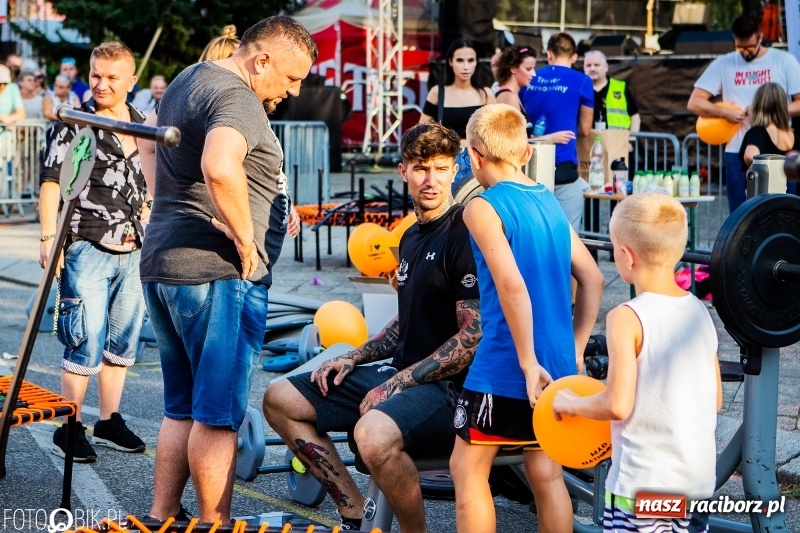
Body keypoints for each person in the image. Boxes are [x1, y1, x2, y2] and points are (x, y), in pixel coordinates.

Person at [137, 16, 316, 523]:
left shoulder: (189, 78)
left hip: (166, 262)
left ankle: (162, 514)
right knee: (217, 417)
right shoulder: (237, 96)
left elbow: (151, 144)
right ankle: (214, 522)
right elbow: (220, 164)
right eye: (290, 76)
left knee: (183, 407)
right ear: (260, 61)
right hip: (215, 273)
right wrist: (245, 239)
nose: (295, 89)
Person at [263, 122, 482, 532]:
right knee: (279, 399)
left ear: (456, 170)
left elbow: (471, 338)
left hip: (447, 389)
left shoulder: (464, 233)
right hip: (397, 373)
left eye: (440, 167)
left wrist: (397, 383)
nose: (430, 179)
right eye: (420, 168)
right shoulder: (414, 236)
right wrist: (354, 355)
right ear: (403, 171)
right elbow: (409, 317)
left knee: (372, 435)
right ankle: (353, 509)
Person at [449, 103, 604, 533]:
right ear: (527, 153)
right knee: (547, 472)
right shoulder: (549, 200)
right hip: (554, 363)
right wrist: (573, 349)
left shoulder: (481, 207)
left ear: (475, 156)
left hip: (506, 363)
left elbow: (511, 286)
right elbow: (593, 278)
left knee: (467, 468)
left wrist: (525, 361)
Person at [552, 192, 722, 533]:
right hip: (698, 483)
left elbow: (617, 403)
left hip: (642, 484)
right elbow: (715, 399)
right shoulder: (699, 312)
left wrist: (572, 402)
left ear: (627, 256)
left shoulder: (626, 317)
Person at [38, 41, 147, 464]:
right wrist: (49, 237)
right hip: (87, 243)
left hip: (136, 247)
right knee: (84, 339)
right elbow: (51, 181)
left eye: (111, 77)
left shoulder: (143, 122)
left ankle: (109, 420)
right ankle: (71, 426)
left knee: (121, 342)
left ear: (131, 82)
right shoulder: (74, 122)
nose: (101, 84)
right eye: (96, 75)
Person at [687, 13, 800, 215]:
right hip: (737, 150)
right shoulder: (725, 63)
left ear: (760, 37)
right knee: (740, 216)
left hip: (777, 146)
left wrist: (767, 111)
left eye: (749, 47)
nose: (745, 53)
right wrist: (723, 112)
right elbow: (694, 103)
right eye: (740, 48)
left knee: (783, 213)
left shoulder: (784, 61)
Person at [521, 32, 593, 231]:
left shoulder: (530, 77)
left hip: (529, 162)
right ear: (574, 56)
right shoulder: (582, 81)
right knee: (567, 234)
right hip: (562, 163)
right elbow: (585, 130)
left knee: (533, 230)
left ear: (549, 54)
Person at [419, 38, 495, 185]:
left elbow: (493, 134)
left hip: (477, 160)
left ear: (476, 62)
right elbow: (421, 130)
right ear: (450, 62)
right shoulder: (438, 93)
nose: (466, 66)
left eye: (471, 60)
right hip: (446, 158)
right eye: (460, 60)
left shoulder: (486, 94)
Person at [739, 83, 798, 194]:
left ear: (757, 105)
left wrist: (752, 167)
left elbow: (749, 155)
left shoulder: (757, 132)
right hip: (791, 198)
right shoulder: (792, 135)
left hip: (766, 195)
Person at [583, 50, 640, 132]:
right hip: (587, 143)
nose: (592, 68)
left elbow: (635, 117)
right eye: (588, 65)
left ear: (606, 67)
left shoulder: (620, 88)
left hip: (617, 142)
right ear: (584, 68)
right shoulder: (579, 90)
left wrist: (632, 140)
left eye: (596, 65)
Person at [493, 45, 537, 133]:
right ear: (513, 68)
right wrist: (550, 138)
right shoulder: (508, 97)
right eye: (528, 69)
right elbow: (514, 140)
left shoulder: (513, 95)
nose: (534, 74)